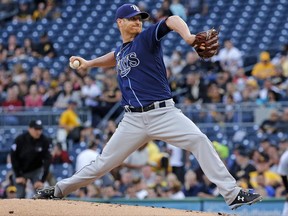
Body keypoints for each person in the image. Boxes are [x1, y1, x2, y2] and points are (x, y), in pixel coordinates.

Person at [33, 3, 262, 210]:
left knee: (199, 140)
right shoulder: (123, 50)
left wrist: (189, 37)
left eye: (139, 18)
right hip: (132, 121)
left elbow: (171, 21)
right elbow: (114, 56)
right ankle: (58, 191)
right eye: (132, 18)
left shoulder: (147, 38)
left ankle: (231, 194)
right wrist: (90, 63)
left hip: (163, 113)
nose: (138, 22)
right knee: (102, 164)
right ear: (119, 22)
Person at [10, 120, 52, 198]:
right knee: (20, 195)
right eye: (36, 129)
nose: (38, 132)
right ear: (29, 129)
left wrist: (42, 180)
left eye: (40, 129)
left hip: (36, 170)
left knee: (40, 193)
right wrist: (18, 175)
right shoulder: (20, 139)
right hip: (20, 170)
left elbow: (47, 160)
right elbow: (13, 157)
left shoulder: (44, 141)